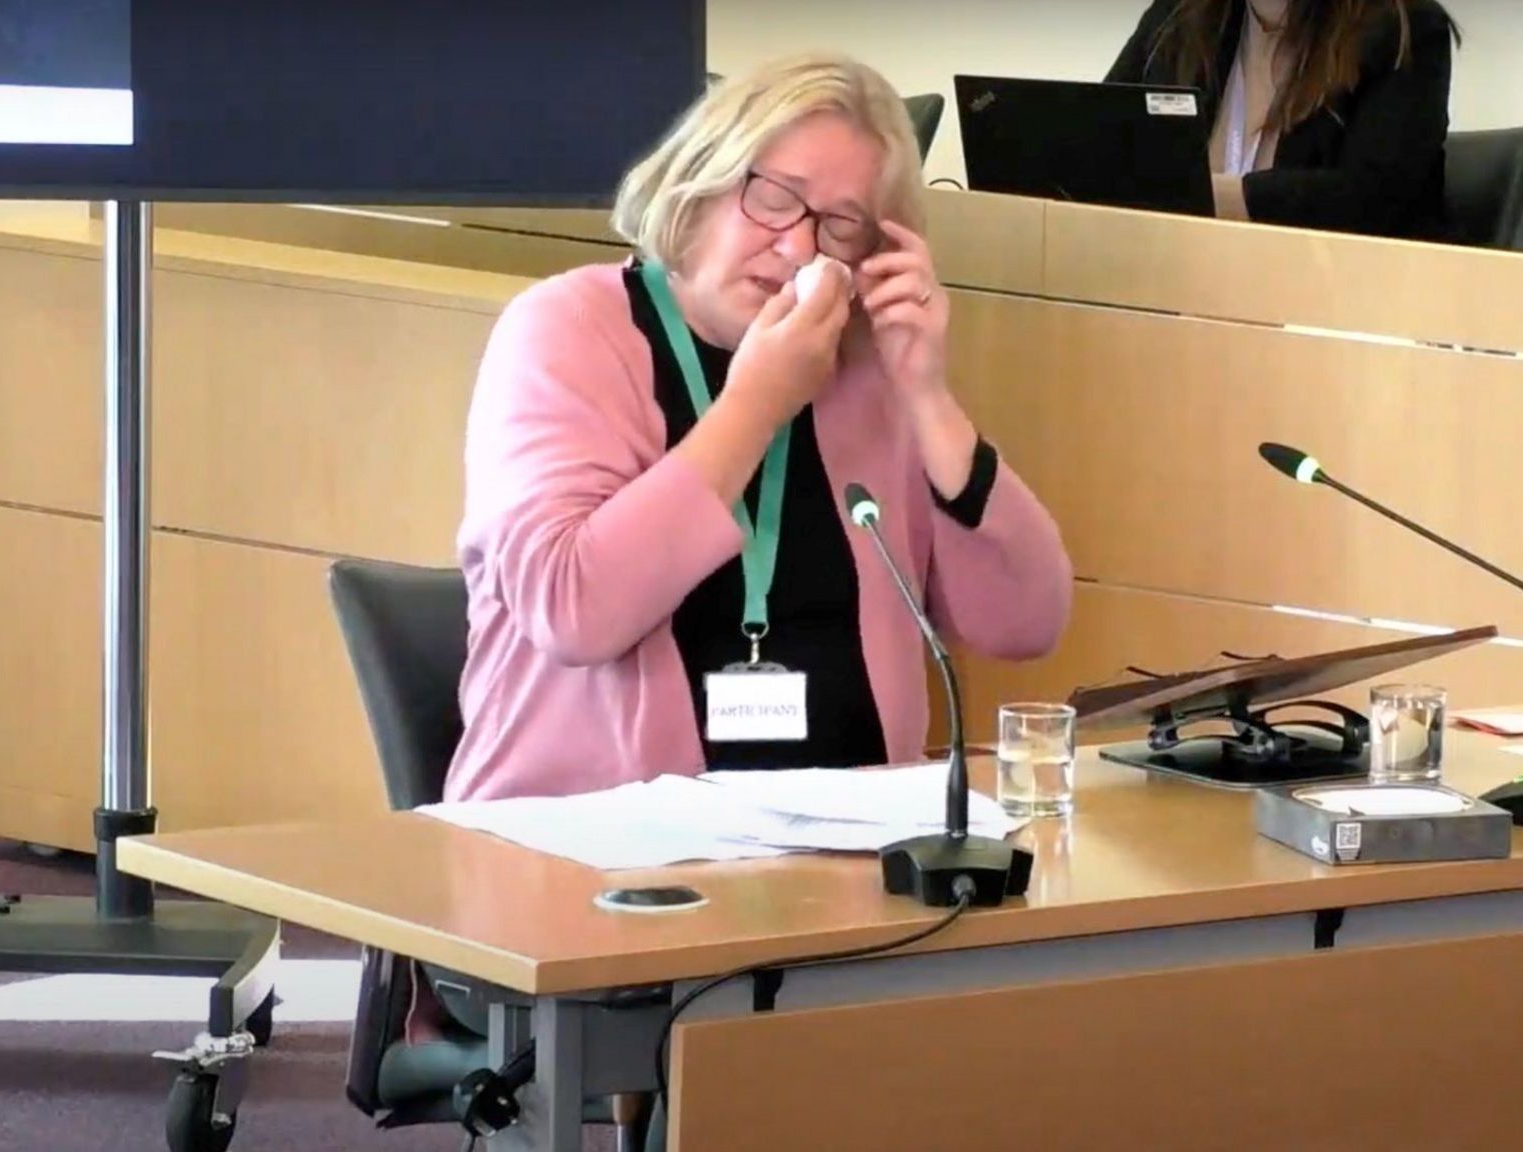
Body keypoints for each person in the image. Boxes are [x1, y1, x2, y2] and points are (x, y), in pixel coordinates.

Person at [443, 52, 1074, 803]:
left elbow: (1025, 625)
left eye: (841, 225)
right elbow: (574, 610)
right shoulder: (567, 329)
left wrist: (929, 397)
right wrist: (755, 405)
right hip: (587, 860)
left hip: (845, 858)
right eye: (775, 199)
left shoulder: (865, 373)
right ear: (703, 181)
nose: (798, 247)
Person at [1107, 0, 1460, 240]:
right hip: (1186, 290)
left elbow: (1372, 198)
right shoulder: (1178, 18)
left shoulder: (1403, 26)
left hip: (1341, 308)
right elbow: (1098, 143)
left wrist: (1204, 195)